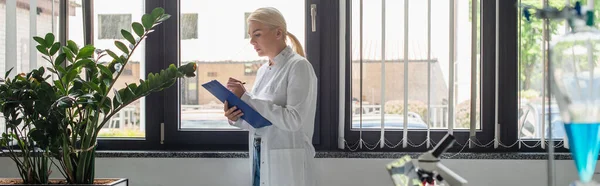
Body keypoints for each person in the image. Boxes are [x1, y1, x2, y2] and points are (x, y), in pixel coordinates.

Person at [224, 7, 318, 186]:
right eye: (250, 35)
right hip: (261, 155)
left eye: (257, 34)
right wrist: (236, 116)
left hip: (287, 163)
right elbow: (260, 119)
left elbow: (294, 120)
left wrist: (247, 99)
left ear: (278, 33)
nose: (251, 41)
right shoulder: (262, 71)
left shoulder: (298, 67)